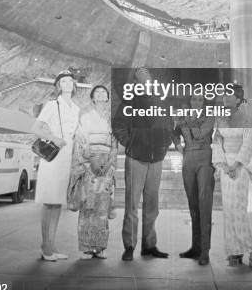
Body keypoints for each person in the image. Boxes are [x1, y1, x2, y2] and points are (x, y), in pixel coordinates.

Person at [112, 67, 175, 261]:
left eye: (147, 78)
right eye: (141, 79)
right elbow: (118, 126)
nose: (145, 82)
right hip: (136, 158)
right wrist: (130, 143)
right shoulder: (129, 102)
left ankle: (149, 245)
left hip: (156, 159)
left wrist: (164, 145)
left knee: (152, 205)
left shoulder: (162, 103)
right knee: (132, 204)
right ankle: (129, 246)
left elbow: (169, 126)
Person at [212, 86, 252, 269]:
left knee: (238, 210)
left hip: (239, 169)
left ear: (238, 99)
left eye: (229, 95)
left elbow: (249, 144)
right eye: (224, 95)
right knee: (228, 211)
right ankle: (235, 252)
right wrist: (224, 165)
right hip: (226, 167)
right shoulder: (220, 120)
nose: (225, 97)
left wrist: (236, 165)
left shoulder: (247, 119)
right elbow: (216, 142)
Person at [34, 70, 80, 261]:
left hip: (67, 159)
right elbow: (35, 128)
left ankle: (51, 246)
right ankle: (46, 247)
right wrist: (54, 138)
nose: (67, 83)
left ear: (74, 85)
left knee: (57, 204)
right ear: (58, 86)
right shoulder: (53, 105)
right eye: (63, 81)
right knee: (49, 202)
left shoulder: (76, 108)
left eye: (70, 80)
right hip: (53, 158)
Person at [68, 85, 117, 259]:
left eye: (104, 92)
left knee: (102, 207)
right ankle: (87, 247)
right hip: (89, 165)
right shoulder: (86, 117)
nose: (101, 94)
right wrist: (90, 162)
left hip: (105, 167)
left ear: (107, 98)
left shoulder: (112, 119)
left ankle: (100, 247)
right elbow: (81, 140)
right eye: (97, 92)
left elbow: (114, 143)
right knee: (88, 206)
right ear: (93, 98)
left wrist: (109, 164)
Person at [174, 93, 215, 266]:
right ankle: (195, 248)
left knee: (204, 204)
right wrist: (178, 145)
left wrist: (187, 118)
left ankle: (204, 252)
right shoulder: (184, 116)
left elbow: (198, 134)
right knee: (193, 206)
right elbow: (173, 131)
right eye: (193, 99)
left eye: (200, 100)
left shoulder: (210, 116)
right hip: (188, 159)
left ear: (204, 102)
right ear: (190, 101)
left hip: (205, 158)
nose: (196, 102)